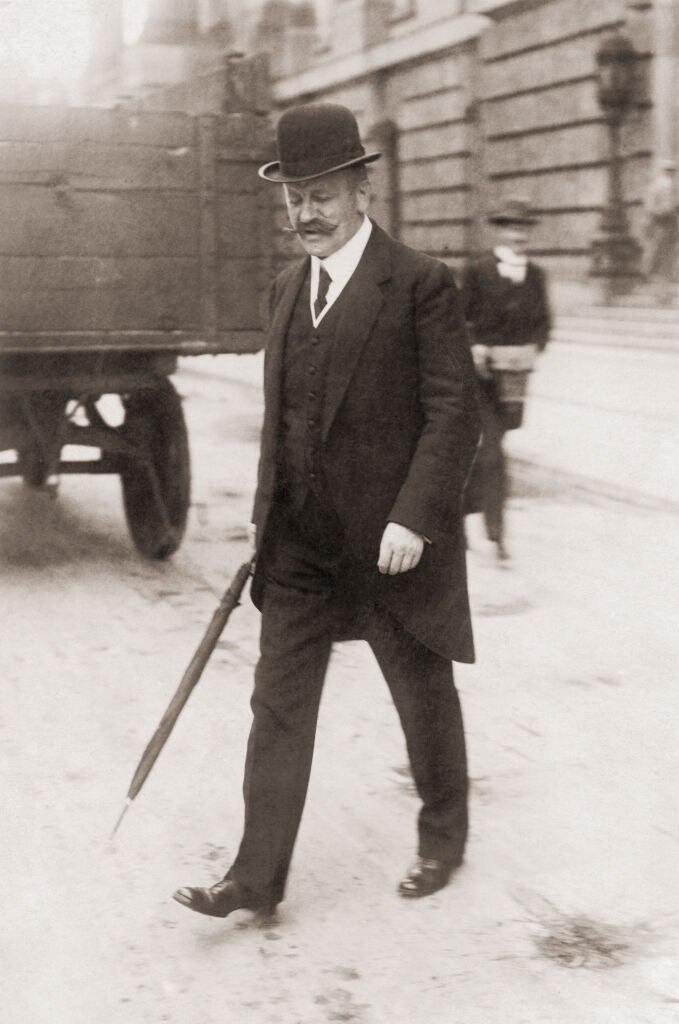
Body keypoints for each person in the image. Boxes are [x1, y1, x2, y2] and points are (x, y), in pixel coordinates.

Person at [173, 103, 480, 922]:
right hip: (301, 546)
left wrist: (414, 518)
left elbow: (454, 415)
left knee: (421, 695)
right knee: (276, 705)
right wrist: (263, 517)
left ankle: (442, 839)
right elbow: (281, 420)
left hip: (390, 545)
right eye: (294, 198)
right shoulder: (285, 289)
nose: (306, 214)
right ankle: (253, 877)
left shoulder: (417, 283)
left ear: (361, 191)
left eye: (321, 195)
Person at [461, 198, 551, 561]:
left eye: (524, 228)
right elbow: (460, 318)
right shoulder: (478, 270)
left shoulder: (536, 275)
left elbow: (544, 323)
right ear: (500, 230)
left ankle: (456, 514)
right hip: (480, 377)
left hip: (514, 380)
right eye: (512, 227)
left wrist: (533, 349)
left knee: (489, 451)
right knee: (493, 453)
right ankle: (496, 535)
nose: (519, 234)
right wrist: (476, 346)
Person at [642, 160, 677, 306]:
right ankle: (660, 294)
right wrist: (665, 212)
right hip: (660, 225)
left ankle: (664, 294)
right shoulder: (657, 187)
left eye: (672, 171)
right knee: (659, 259)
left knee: (666, 260)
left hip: (669, 226)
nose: (670, 174)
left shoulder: (672, 188)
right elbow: (651, 208)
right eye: (668, 171)